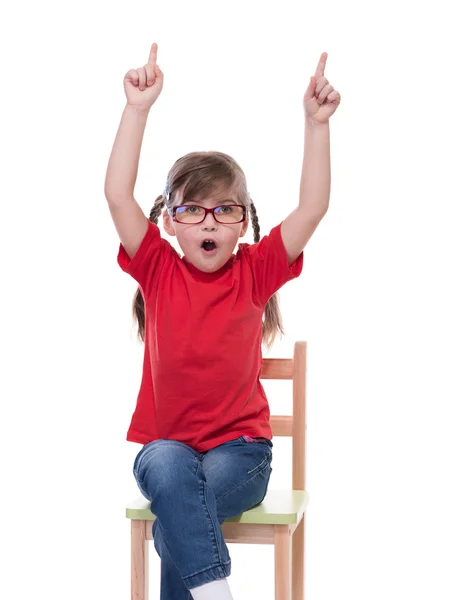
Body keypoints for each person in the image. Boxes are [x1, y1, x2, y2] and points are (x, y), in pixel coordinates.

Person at [104, 42, 340, 600]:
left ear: (242, 224)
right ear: (169, 221)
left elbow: (312, 207)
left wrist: (316, 126)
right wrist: (136, 110)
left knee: (179, 515)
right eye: (192, 209)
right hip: (170, 449)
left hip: (242, 453)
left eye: (225, 209)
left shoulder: (255, 272)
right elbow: (117, 195)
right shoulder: (157, 268)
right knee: (165, 467)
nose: (209, 220)